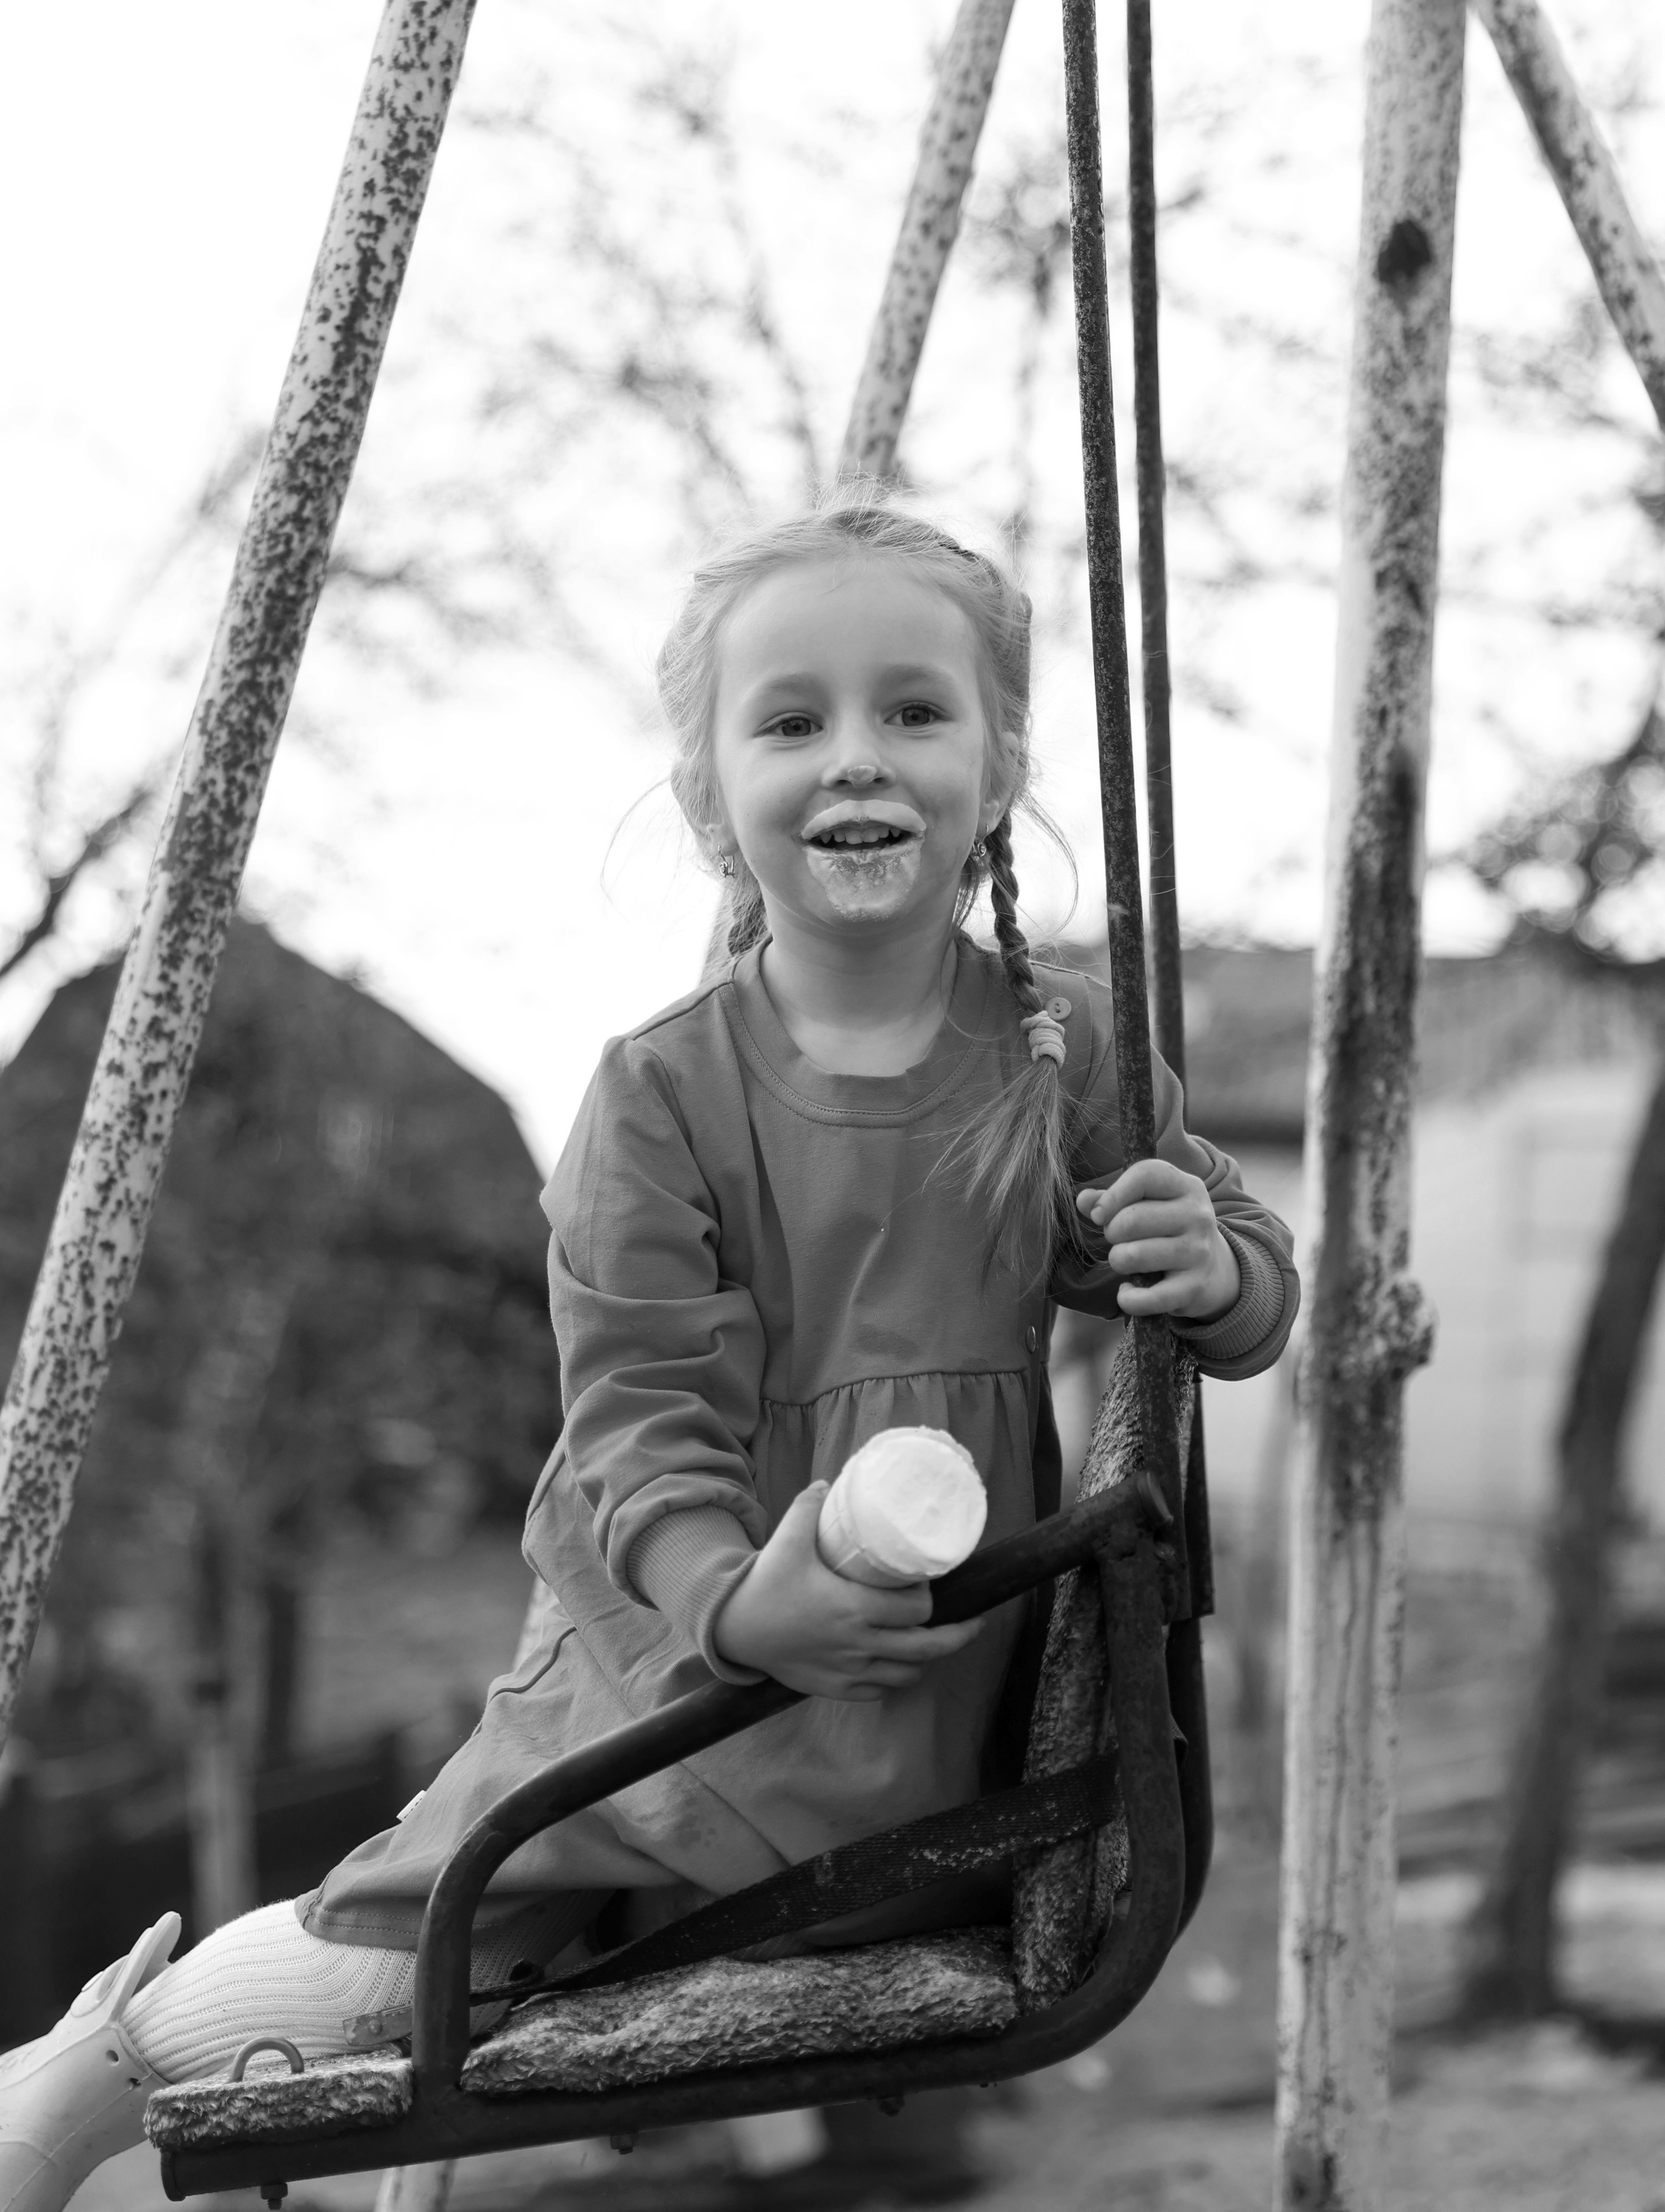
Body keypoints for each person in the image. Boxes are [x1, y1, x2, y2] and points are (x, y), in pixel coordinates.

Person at [0, 496, 1298, 2212]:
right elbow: (638, 1428)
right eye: (792, 720)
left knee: (615, 1983)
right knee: (419, 1949)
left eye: (915, 710)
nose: (859, 759)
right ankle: (83, 2079)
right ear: (709, 798)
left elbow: (1246, 1274)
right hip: (684, 1658)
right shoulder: (664, 1097)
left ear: (996, 768)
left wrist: (1216, 1277)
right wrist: (736, 1606)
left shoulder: (1056, 1056)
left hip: (919, 1697)